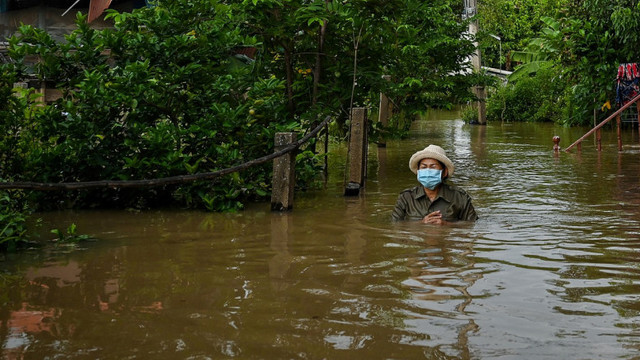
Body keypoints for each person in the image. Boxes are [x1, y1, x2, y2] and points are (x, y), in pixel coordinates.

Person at [392, 144, 477, 224]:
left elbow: (472, 224)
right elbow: (394, 224)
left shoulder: (459, 197)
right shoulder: (406, 197)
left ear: (444, 172)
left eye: (433, 167)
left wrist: (446, 225)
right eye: (424, 167)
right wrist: (421, 223)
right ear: (418, 171)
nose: (428, 171)